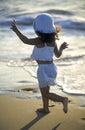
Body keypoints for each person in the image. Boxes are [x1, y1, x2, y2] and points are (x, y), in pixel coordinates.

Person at [11, 13, 69, 114]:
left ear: (38, 29)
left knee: (45, 93)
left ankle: (63, 99)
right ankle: (46, 109)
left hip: (42, 69)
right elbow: (58, 55)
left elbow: (26, 40)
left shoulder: (39, 41)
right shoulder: (53, 41)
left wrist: (16, 31)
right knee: (45, 91)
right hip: (52, 68)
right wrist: (61, 49)